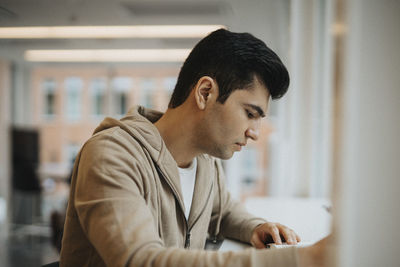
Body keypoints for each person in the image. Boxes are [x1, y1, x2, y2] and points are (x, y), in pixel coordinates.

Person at [60, 29, 326, 267]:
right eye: (249, 113)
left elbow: (224, 212)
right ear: (205, 92)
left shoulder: (204, 161)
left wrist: (255, 227)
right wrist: (300, 259)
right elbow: (139, 260)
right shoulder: (111, 156)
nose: (255, 133)